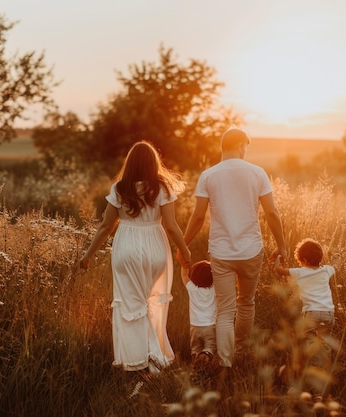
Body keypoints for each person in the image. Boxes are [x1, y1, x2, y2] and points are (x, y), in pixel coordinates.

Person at [178, 127, 288, 370]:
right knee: (246, 302)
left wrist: (182, 245)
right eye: (245, 147)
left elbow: (197, 218)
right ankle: (241, 350)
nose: (245, 152)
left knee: (225, 311)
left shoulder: (208, 175)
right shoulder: (257, 173)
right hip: (251, 251)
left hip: (221, 253)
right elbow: (271, 212)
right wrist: (282, 246)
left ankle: (226, 362)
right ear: (239, 146)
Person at [79, 141, 191, 375]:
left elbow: (105, 227)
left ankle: (138, 359)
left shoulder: (120, 189)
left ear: (129, 164)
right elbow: (171, 226)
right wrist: (185, 250)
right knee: (150, 302)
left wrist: (88, 255)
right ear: (154, 164)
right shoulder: (162, 188)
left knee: (131, 305)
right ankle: (153, 357)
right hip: (155, 247)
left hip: (127, 247)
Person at [274, 238, 336, 376]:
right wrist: (336, 260)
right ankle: (324, 370)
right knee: (324, 342)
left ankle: (310, 370)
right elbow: (335, 267)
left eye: (300, 261)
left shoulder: (300, 272)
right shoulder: (326, 270)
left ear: (305, 261)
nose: (300, 264)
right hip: (328, 313)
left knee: (307, 341)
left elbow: (279, 271)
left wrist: (277, 259)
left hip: (311, 313)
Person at [181, 260, 216, 368]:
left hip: (195, 326)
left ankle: (195, 362)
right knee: (210, 346)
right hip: (210, 326)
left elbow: (184, 275)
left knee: (195, 348)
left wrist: (184, 263)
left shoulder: (193, 289)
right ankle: (205, 356)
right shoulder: (214, 289)